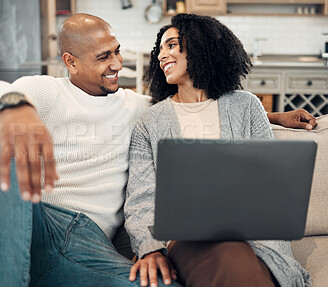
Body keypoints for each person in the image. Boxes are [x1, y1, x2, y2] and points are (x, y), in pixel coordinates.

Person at [0, 13, 314, 287]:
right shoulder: (43, 90)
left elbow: (207, 108)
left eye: (117, 51)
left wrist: (274, 116)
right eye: (104, 57)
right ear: (70, 62)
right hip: (38, 219)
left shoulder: (139, 108)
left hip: (88, 246)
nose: (118, 64)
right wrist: (15, 104)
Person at [124, 14, 313, 287]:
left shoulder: (246, 106)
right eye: (160, 49)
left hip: (252, 234)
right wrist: (150, 247)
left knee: (243, 260)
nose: (162, 55)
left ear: (201, 45)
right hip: (187, 238)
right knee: (229, 256)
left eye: (172, 45)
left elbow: (268, 183)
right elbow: (141, 201)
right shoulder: (149, 123)